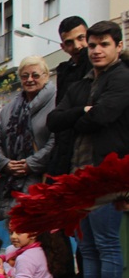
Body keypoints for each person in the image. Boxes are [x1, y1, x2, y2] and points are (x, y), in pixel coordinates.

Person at [46, 20, 129, 278]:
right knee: (88, 246)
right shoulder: (82, 82)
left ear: (117, 46)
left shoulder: (122, 77)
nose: (96, 50)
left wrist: (79, 117)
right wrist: (83, 112)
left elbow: (104, 116)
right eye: (92, 45)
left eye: (103, 44)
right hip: (78, 174)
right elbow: (55, 120)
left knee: (106, 244)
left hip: (106, 175)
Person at [0, 55, 57, 240]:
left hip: (42, 181)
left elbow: (57, 140)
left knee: (42, 239)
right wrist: (5, 163)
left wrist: (31, 164)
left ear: (46, 75)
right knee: (16, 238)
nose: (30, 80)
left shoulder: (57, 102)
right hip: (12, 183)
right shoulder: (9, 109)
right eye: (24, 75)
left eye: (35, 75)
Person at [48, 15, 90, 177]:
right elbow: (57, 117)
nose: (77, 46)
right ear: (63, 47)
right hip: (66, 150)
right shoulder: (65, 72)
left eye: (81, 38)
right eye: (69, 42)